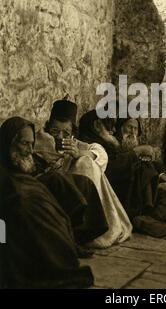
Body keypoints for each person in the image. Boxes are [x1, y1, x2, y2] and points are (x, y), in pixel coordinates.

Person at [0, 117, 94, 289]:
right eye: (23, 143)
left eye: (31, 143)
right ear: (9, 143)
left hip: (31, 185)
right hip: (11, 222)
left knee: (61, 185)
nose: (29, 150)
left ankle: (72, 239)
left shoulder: (25, 160)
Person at [34, 100, 132, 248]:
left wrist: (79, 153)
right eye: (55, 131)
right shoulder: (39, 140)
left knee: (86, 162)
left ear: (73, 133)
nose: (60, 136)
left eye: (65, 132)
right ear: (48, 128)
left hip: (76, 193)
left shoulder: (77, 145)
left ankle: (90, 227)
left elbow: (100, 154)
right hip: (50, 192)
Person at [79, 110, 166, 237]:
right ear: (96, 125)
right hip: (125, 189)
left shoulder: (110, 141)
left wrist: (160, 176)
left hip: (142, 186)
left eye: (135, 129)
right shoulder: (93, 145)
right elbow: (111, 167)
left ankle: (148, 219)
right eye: (129, 127)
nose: (132, 132)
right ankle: (143, 219)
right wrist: (136, 153)